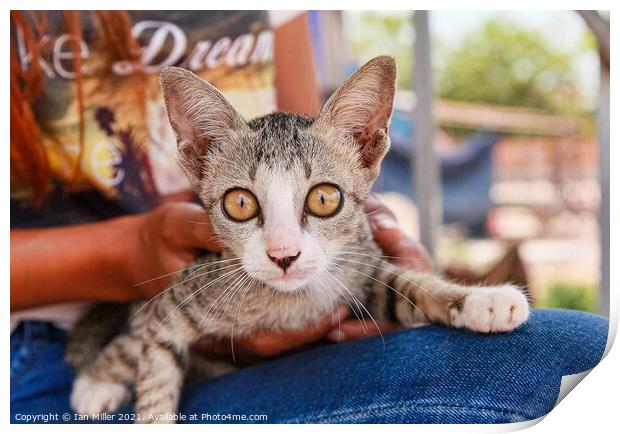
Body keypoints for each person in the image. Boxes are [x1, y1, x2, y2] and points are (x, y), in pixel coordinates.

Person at [10, 11, 608, 424]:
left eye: (319, 201)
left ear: (370, 146)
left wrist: (407, 288)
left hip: (284, 339)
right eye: (243, 206)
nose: (283, 245)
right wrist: (129, 251)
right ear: (194, 151)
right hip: (39, 348)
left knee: (579, 354)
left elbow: (301, 135)